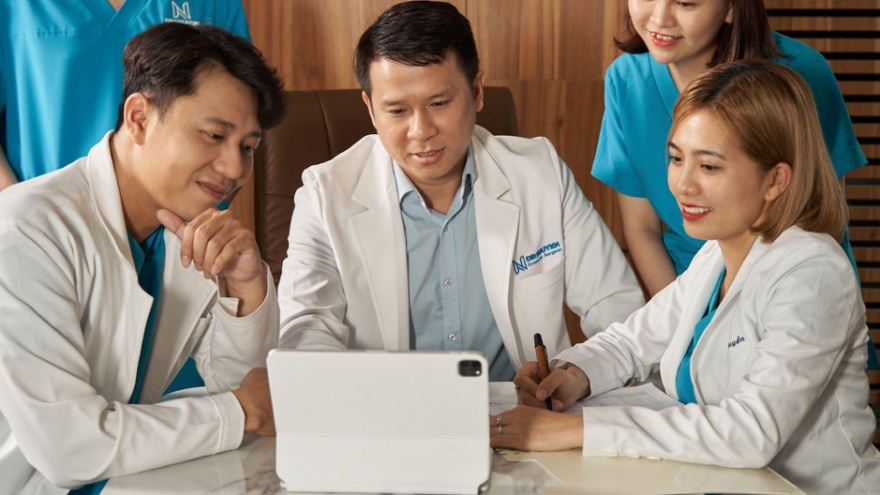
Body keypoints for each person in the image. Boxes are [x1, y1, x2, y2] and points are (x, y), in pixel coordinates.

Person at [492, 60, 880, 494]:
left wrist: (577, 430)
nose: (682, 185)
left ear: (775, 180)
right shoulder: (717, 254)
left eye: (709, 167)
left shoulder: (813, 272)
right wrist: (572, 374)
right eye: (677, 159)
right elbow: (631, 341)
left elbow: (751, 432)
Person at [277, 0, 644, 381]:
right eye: (397, 111)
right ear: (370, 109)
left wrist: (576, 375)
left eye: (439, 103)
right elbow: (305, 331)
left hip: (521, 408)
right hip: (387, 407)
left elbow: (617, 307)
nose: (421, 131)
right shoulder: (323, 195)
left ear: (477, 91)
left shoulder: (540, 173)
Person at [0, 22, 285, 495]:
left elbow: (245, 389)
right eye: (214, 135)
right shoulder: (25, 230)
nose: (235, 168)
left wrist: (247, 287)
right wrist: (241, 410)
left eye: (248, 147)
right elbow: (69, 448)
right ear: (138, 117)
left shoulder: (185, 230)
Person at [0, 0, 255, 393]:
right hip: (49, 248)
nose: (235, 167)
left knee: (178, 406)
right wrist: (29, 236)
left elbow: (236, 115)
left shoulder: (216, 4)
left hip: (174, 254)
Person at [593, 0, 865, 297]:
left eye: (685, 3)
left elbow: (825, 218)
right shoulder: (625, 81)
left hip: (792, 287)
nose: (659, 19)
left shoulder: (801, 72)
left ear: (732, 7)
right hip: (683, 289)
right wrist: (684, 318)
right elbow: (642, 230)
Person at [0, 0, 252, 190]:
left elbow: (242, 125)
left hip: (177, 232)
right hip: (44, 221)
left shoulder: (216, 4)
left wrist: (193, 223)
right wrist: (22, 214)